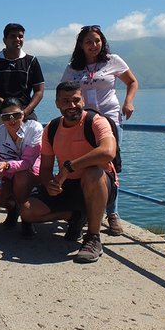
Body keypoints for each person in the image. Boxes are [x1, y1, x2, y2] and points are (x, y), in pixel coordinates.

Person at [20, 81, 119, 263]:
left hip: (99, 185)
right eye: (66, 101)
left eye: (76, 100)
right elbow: (46, 168)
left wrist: (68, 167)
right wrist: (50, 183)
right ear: (57, 104)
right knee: (27, 211)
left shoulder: (96, 121)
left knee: (91, 172)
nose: (72, 106)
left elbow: (108, 151)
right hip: (68, 185)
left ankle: (93, 238)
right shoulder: (52, 128)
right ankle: (77, 217)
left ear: (83, 100)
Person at [61, 25, 138, 236]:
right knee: (82, 163)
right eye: (88, 42)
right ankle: (83, 211)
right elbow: (65, 92)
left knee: (109, 165)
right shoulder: (73, 67)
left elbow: (132, 82)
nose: (93, 45)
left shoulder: (112, 60)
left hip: (110, 118)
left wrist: (128, 102)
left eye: (96, 41)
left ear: (102, 42)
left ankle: (112, 214)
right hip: (83, 120)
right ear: (80, 45)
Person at [0, 97, 43, 239]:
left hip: (32, 175)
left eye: (16, 115)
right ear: (1, 117)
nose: (12, 120)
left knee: (21, 176)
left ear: (23, 114)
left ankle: (26, 220)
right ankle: (13, 208)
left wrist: (7, 165)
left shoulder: (35, 129)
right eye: (6, 116)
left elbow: (28, 162)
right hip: (8, 175)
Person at [0, 23, 45, 130]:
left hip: (23, 109)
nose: (17, 39)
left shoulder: (31, 61)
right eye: (13, 36)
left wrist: (26, 111)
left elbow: (39, 91)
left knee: (34, 132)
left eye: (20, 36)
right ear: (5, 40)